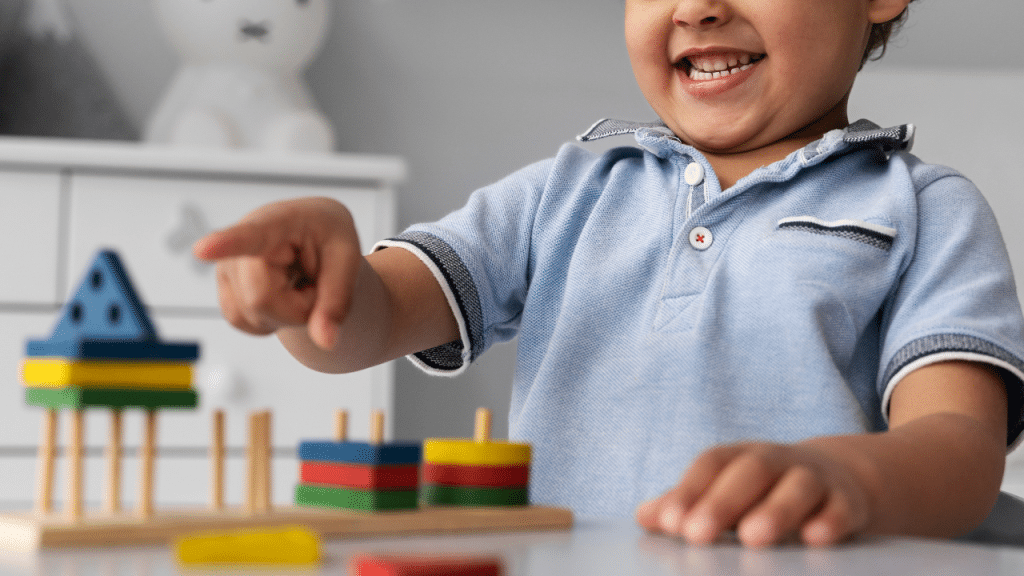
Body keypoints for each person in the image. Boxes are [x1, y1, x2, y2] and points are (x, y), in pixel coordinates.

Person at [193, 0, 1024, 548]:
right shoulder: (567, 190)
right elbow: (371, 320)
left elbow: (961, 448)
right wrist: (319, 290)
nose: (697, 6)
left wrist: (853, 478)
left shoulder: (926, 209)